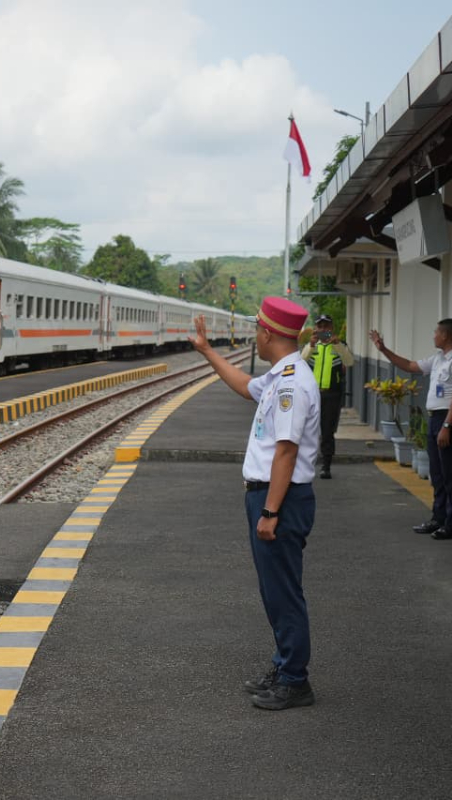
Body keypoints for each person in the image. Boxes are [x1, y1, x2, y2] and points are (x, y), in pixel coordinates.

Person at [190, 296, 320, 711]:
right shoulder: (280, 374)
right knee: (273, 589)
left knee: (283, 591)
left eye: (257, 330)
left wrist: (270, 512)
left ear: (267, 333)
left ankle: (295, 680)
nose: (255, 336)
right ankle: (285, 667)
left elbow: (286, 451)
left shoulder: (292, 384)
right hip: (269, 495)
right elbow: (245, 387)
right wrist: (208, 351)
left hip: (279, 498)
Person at [368, 320, 452, 540]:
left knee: (451, 474)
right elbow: (409, 366)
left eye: (436, 332)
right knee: (437, 473)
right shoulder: (438, 359)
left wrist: (447, 426)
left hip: (450, 420)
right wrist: (383, 349)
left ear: (446, 335)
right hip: (436, 419)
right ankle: (439, 518)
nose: (433, 335)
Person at [300, 314, 355, 479]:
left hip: (332, 394)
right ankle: (304, 464)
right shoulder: (311, 346)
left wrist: (337, 345)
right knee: (306, 430)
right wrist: (310, 346)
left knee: (327, 431)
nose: (323, 330)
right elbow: (301, 362)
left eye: (327, 327)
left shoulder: (340, 345)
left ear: (332, 329)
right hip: (311, 395)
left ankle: (326, 465)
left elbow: (349, 361)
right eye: (320, 327)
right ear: (316, 329)